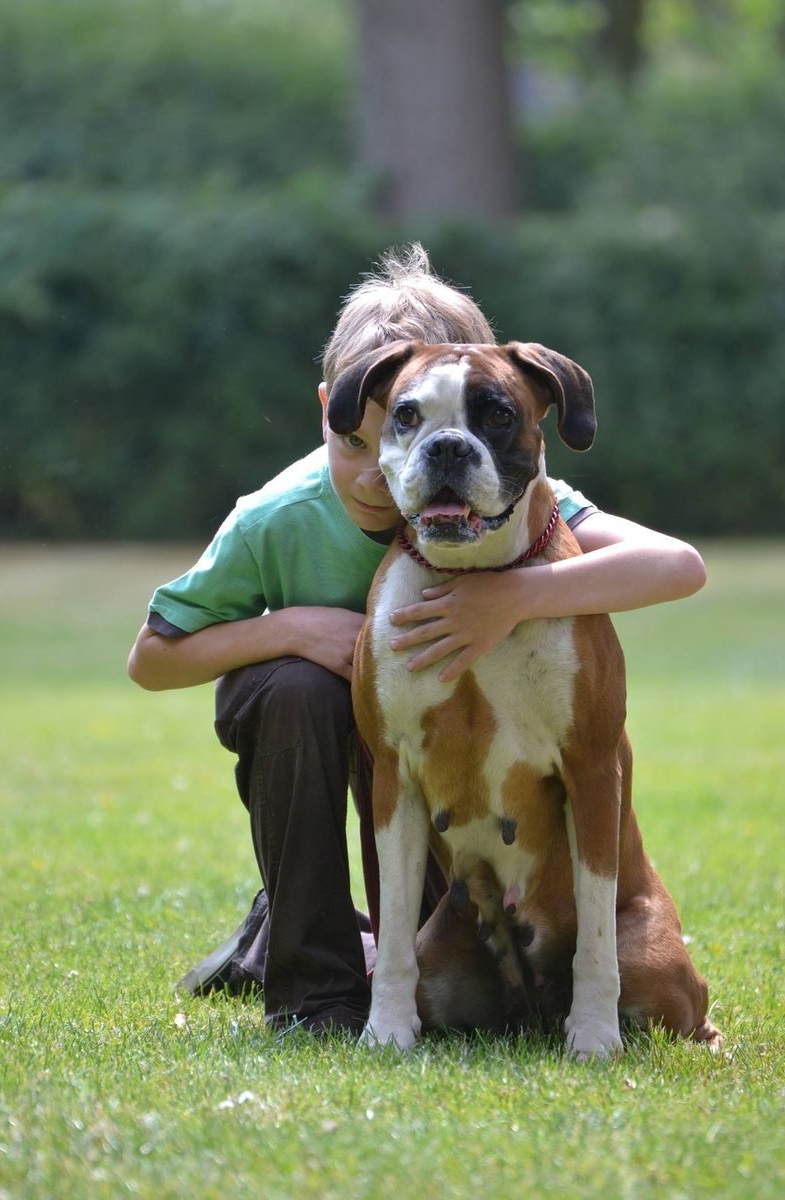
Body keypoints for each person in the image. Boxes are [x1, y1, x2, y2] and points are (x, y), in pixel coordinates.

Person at [127, 244, 706, 1038]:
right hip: (341, 732)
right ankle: (311, 977)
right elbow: (150, 659)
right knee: (297, 691)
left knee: (472, 982)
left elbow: (677, 565)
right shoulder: (277, 515)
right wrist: (294, 629)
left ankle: (369, 955)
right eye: (372, 438)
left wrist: (510, 596)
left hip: (468, 787)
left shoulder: (526, 506)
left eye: (485, 420)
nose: (382, 474)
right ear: (336, 408)